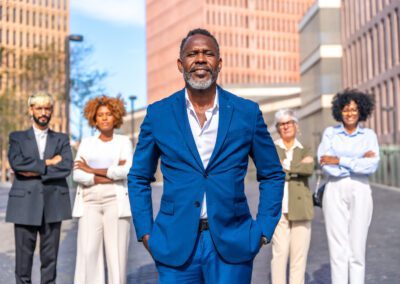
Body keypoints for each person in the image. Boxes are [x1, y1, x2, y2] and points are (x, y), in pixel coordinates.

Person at [128, 28, 285, 284]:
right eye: (192, 54)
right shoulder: (158, 114)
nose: (200, 59)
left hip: (233, 244)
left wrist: (263, 229)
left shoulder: (246, 112)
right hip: (174, 245)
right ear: (181, 64)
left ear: (219, 63)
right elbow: (138, 177)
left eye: (208, 53)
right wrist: (146, 232)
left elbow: (272, 174)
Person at [6, 91, 73, 284]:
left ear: (51, 111)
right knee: (23, 263)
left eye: (47, 108)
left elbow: (66, 167)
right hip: (24, 204)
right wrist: (49, 163)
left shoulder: (62, 139)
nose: (43, 112)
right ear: (31, 110)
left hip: (54, 204)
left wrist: (34, 168)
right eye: (39, 108)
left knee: (50, 262)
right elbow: (17, 164)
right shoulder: (17, 137)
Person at [317, 89, 380, 284]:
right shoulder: (330, 133)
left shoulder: (369, 135)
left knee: (357, 248)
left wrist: (339, 159)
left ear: (361, 111)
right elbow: (326, 165)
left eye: (354, 109)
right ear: (339, 111)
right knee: (337, 249)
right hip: (335, 188)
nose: (350, 113)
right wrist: (358, 159)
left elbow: (372, 165)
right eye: (345, 109)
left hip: (361, 189)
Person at [72, 96, 133, 284]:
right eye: (100, 115)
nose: (105, 118)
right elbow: (77, 175)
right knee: (89, 252)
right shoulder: (87, 143)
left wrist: (90, 169)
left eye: (108, 114)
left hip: (115, 200)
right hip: (89, 202)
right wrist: (107, 173)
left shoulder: (123, 142)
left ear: (115, 116)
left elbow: (127, 170)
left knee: (116, 255)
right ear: (94, 119)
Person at [271, 109, 314, 284]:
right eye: (282, 124)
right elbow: (270, 171)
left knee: (299, 256)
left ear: (296, 125)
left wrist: (285, 167)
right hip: (278, 208)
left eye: (289, 122)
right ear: (278, 128)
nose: (286, 126)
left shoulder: (305, 148)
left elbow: (309, 169)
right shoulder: (271, 148)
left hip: (301, 208)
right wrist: (297, 167)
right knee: (279, 254)